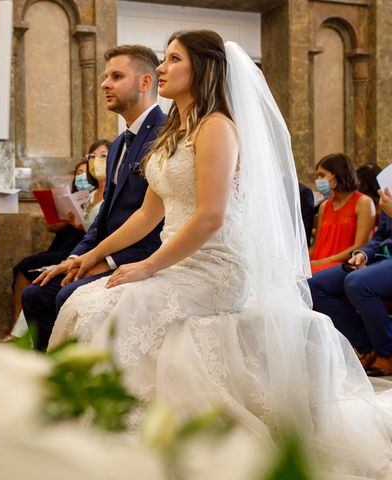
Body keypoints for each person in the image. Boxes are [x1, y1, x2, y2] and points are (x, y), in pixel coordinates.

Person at [48, 30, 392, 477]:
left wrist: (148, 266)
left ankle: (130, 441)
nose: (163, 68)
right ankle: (94, 431)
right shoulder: (175, 129)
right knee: (85, 300)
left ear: (202, 69)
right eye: (163, 59)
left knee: (121, 308)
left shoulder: (218, 128)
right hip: (177, 261)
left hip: (216, 267)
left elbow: (210, 217)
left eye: (173, 59)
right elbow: (150, 213)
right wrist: (94, 254)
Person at [22, 44, 167, 351]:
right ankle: (52, 378)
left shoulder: (165, 135)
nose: (104, 84)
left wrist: (107, 261)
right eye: (105, 76)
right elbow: (103, 218)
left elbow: (161, 222)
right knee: (35, 294)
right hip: (104, 253)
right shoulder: (116, 145)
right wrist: (75, 258)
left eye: (116, 76)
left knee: (68, 295)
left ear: (145, 83)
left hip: (143, 258)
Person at [6, 156, 100, 342]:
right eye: (78, 173)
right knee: (24, 271)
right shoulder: (76, 196)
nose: (82, 176)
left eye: (84, 172)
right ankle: (18, 322)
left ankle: (24, 330)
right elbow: (53, 227)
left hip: (78, 245)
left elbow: (95, 230)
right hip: (66, 242)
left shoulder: (98, 196)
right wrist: (64, 218)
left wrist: (80, 223)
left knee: (31, 270)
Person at [309, 186, 392, 376]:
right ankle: (368, 346)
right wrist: (363, 254)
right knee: (314, 285)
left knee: (357, 282)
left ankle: (387, 352)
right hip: (381, 257)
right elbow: (382, 235)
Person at [308, 153, 375, 273]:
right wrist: (298, 261)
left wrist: (322, 262)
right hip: (318, 263)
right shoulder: (325, 206)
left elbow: (359, 246)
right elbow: (315, 247)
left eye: (322, 175)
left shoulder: (363, 202)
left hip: (343, 265)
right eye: (317, 175)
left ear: (338, 174)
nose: (318, 180)